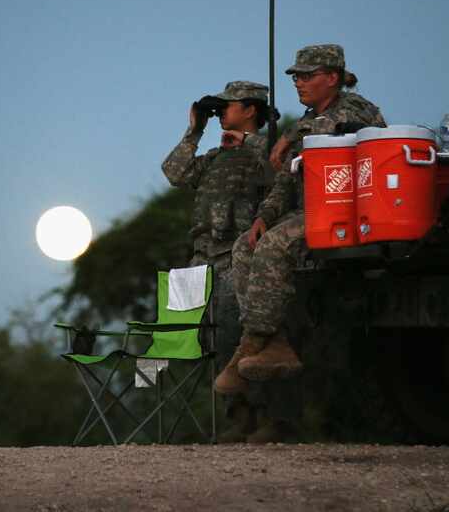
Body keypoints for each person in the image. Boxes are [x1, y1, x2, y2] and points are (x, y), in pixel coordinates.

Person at [215, 44, 387, 400]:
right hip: (311, 210)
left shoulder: (356, 109)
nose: (298, 83)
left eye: (307, 76)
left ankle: (249, 347)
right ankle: (273, 341)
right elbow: (285, 181)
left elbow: (331, 134)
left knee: (275, 247)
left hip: (347, 210)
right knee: (245, 245)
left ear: (333, 78)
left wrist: (289, 139)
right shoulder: (306, 121)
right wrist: (264, 216)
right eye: (296, 76)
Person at [162, 80, 275, 442]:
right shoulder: (214, 157)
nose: (222, 111)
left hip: (237, 258)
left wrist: (249, 143)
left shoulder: (269, 149)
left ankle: (262, 418)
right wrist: (195, 131)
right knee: (209, 342)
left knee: (237, 337)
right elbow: (175, 173)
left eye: (229, 105)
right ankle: (236, 418)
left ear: (251, 109)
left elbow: (285, 167)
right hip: (202, 259)